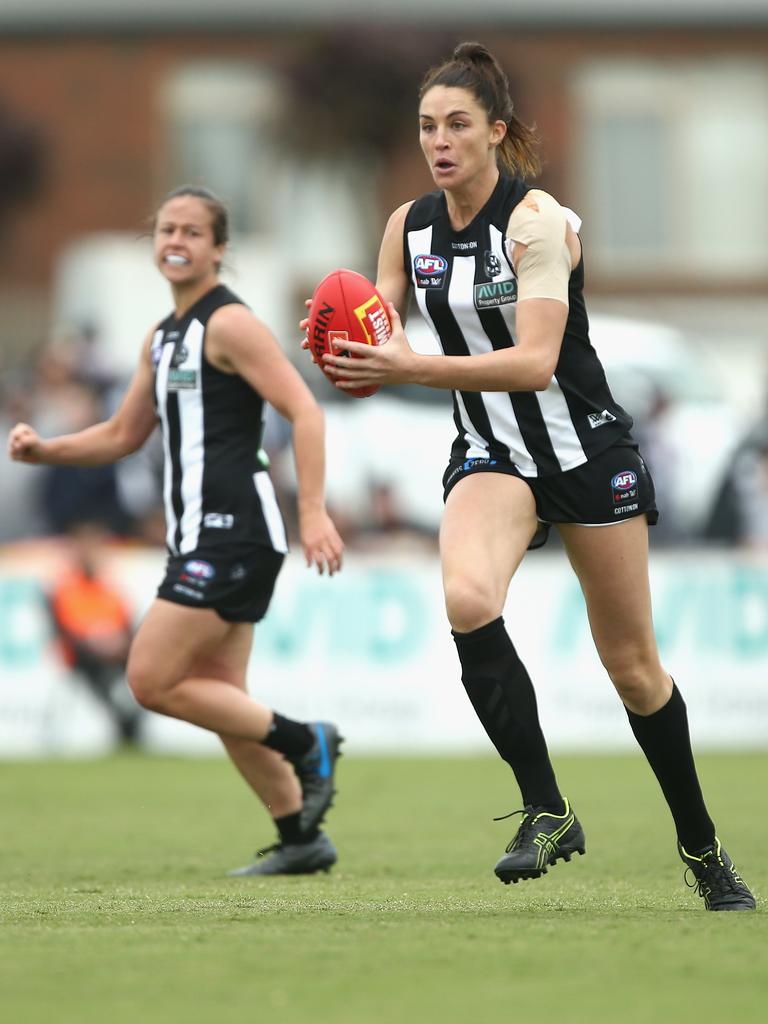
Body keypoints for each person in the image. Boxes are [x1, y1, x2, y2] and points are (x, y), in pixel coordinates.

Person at [311, 43, 755, 911]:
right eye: (428, 127)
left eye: (458, 125)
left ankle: (702, 850)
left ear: (496, 133)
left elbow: (536, 360)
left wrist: (406, 370)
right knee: (468, 598)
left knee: (633, 669)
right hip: (493, 452)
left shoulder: (538, 222)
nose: (439, 142)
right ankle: (547, 807)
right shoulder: (409, 225)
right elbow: (381, 321)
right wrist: (347, 343)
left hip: (584, 451)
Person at [9, 185, 345, 878]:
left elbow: (305, 413)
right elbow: (123, 433)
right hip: (199, 536)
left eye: (193, 231)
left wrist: (312, 511)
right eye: (166, 229)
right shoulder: (162, 338)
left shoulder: (231, 324)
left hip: (237, 531)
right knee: (220, 691)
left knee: (150, 678)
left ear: (219, 249)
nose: (177, 241)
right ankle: (300, 838)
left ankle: (307, 740)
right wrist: (48, 449)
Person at [47, 522, 142, 746]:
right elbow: (65, 632)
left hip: (115, 653)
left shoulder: (110, 588)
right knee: (105, 677)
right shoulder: (64, 588)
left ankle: (133, 722)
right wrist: (98, 646)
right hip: (83, 657)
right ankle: (124, 727)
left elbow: (127, 625)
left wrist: (119, 645)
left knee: (143, 669)